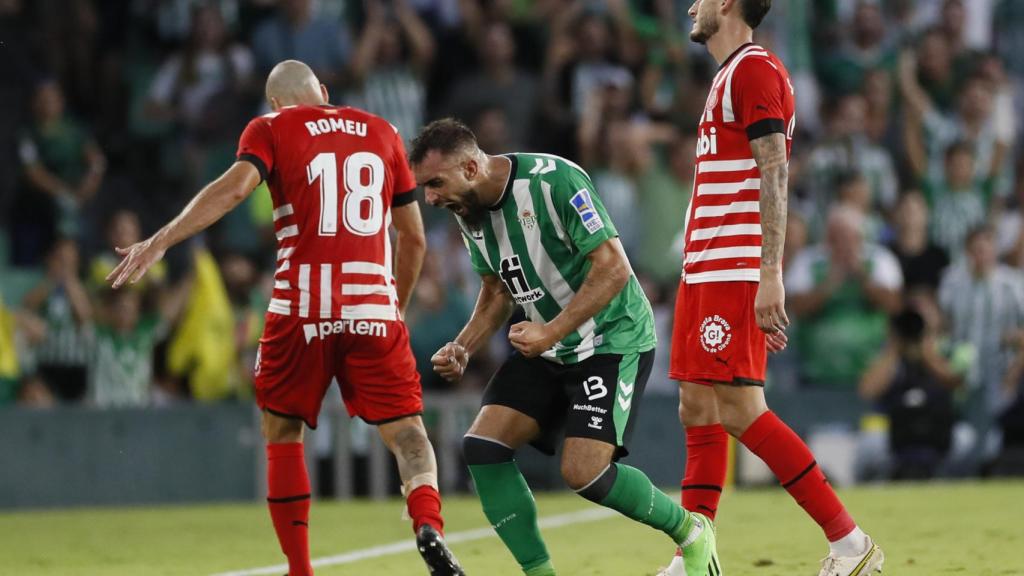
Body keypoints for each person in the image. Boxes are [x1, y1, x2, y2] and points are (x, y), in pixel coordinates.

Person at [107, 60, 464, 576]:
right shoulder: (382, 131)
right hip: (373, 307)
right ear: (323, 90)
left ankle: (300, 569)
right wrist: (394, 309)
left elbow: (232, 191)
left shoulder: (271, 128)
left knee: (283, 431)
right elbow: (412, 238)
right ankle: (427, 524)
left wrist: (161, 239)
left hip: (302, 308)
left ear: (277, 103)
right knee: (408, 433)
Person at [410, 118, 720, 576]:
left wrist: (550, 332)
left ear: (472, 167)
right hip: (548, 345)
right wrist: (464, 345)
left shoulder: (554, 180)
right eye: (424, 187)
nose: (430, 198)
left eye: (435, 183)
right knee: (483, 445)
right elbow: (497, 290)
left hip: (612, 338)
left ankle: (693, 533)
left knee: (585, 473)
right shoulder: (468, 210)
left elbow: (613, 268)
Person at [661, 2, 884, 576]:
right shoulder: (729, 73)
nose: (691, 5)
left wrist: (769, 275)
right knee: (697, 406)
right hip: (705, 270)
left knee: (740, 409)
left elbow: (775, 171)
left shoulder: (755, 70)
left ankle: (850, 543)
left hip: (734, 269)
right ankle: (696, 557)